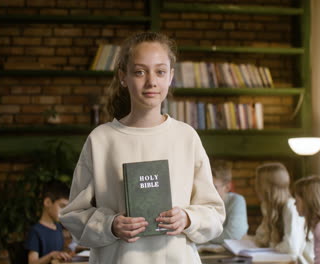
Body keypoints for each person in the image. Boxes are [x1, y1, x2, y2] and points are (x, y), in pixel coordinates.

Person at [60, 31, 226, 264]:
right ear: (123, 77)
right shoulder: (101, 139)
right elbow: (73, 214)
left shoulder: (186, 137)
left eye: (160, 71)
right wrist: (110, 225)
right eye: (139, 72)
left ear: (170, 76)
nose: (151, 82)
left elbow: (215, 215)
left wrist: (188, 218)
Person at [254, 162, 314, 264]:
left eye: (258, 183)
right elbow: (260, 238)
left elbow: (291, 247)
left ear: (267, 188)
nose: (255, 187)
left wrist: (273, 246)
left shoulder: (291, 208)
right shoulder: (270, 208)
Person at [25, 181, 73, 264]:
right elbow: (32, 262)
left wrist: (72, 251)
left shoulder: (58, 227)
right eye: (62, 206)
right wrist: (51, 256)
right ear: (47, 202)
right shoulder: (36, 231)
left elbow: (59, 253)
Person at [209, 163, 248, 242]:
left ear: (227, 187)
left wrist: (201, 238)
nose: (208, 192)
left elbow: (234, 235)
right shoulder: (201, 201)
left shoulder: (237, 201)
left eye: (214, 187)